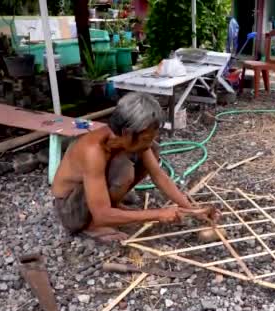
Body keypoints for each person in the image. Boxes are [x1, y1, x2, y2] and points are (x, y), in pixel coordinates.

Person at [51, 92, 217, 243]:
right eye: (145, 137)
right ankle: (94, 226)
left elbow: (159, 176)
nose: (148, 141)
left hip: (91, 197)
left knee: (152, 149)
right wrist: (158, 214)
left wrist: (193, 209)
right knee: (123, 170)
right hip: (70, 209)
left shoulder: (130, 140)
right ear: (126, 132)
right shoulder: (93, 151)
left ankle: (113, 209)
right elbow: (101, 213)